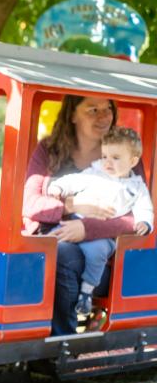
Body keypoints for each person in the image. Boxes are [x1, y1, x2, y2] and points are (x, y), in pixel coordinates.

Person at [23, 95, 142, 336]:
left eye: (108, 109)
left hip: (102, 260)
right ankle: (26, 333)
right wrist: (72, 205)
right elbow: (30, 204)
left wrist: (87, 229)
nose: (104, 116)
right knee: (43, 251)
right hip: (48, 238)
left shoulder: (124, 154)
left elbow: (136, 219)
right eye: (93, 110)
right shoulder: (48, 150)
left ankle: (62, 341)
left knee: (62, 255)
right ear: (72, 115)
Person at [47, 127, 152, 316]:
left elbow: (145, 208)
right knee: (49, 240)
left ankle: (86, 292)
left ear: (133, 161)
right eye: (105, 156)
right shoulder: (95, 173)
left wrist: (145, 222)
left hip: (102, 236)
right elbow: (74, 180)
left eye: (116, 158)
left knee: (98, 253)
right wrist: (59, 187)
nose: (108, 162)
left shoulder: (137, 187)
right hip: (75, 223)